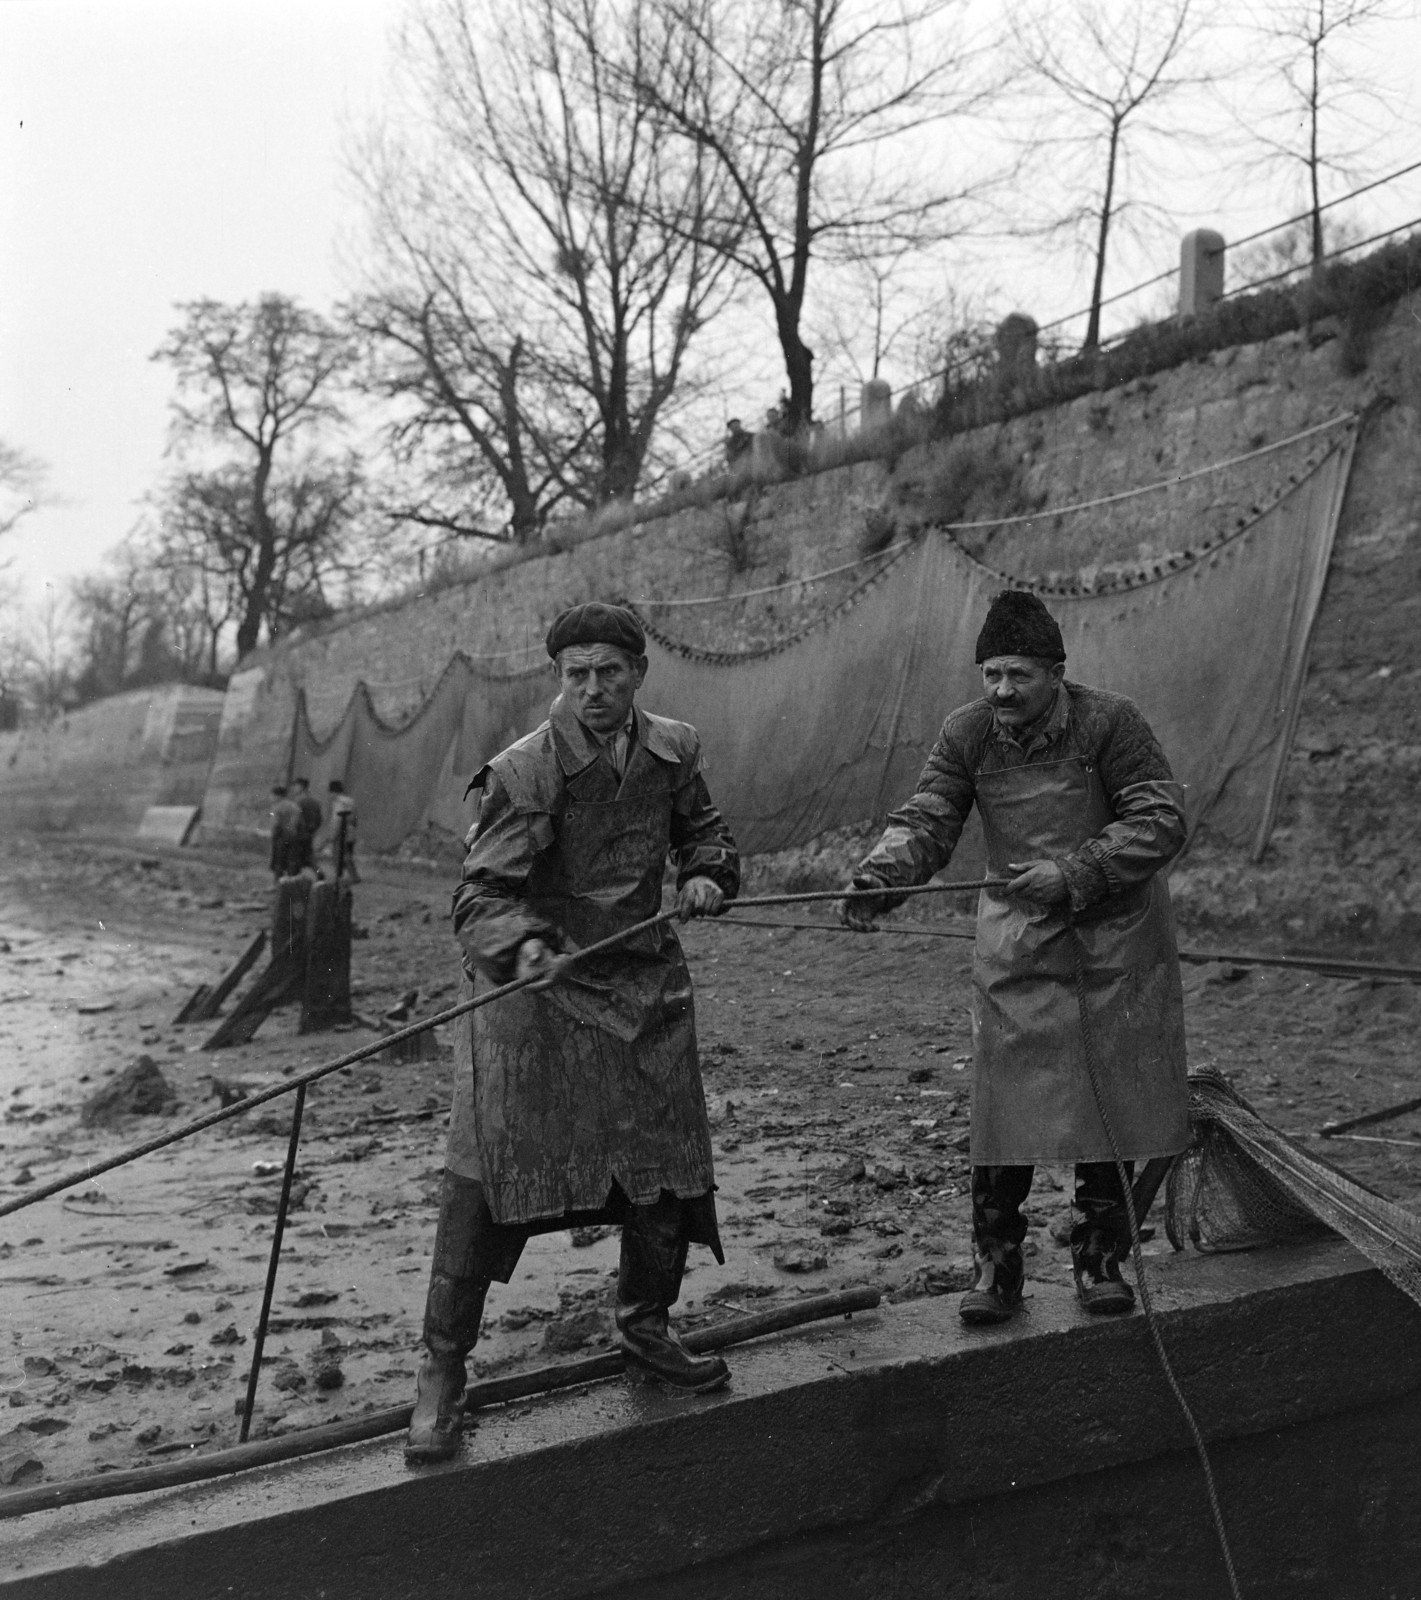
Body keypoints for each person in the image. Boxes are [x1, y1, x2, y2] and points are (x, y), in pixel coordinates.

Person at [406, 601, 740, 1464]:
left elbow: (705, 832)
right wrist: (521, 945)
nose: (592, 690)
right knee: (485, 1181)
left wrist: (707, 873)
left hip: (640, 983)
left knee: (664, 1166)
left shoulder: (674, 749)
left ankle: (644, 1323)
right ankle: (442, 1371)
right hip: (536, 994)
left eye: (609, 673)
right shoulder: (523, 771)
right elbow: (476, 898)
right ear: (559, 678)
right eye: (575, 675)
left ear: (638, 673)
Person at [840, 589, 1190, 1325]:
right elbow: (928, 817)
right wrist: (880, 878)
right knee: (1004, 1106)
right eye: (990, 673)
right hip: (1019, 940)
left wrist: (1074, 872)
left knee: (1111, 1097)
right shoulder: (967, 733)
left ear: (1054, 673)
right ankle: (996, 1271)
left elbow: (1160, 818)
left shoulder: (1110, 723)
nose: (1000, 690)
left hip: (1116, 938)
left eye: (1017, 675)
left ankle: (1100, 1259)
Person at [326, 779, 359, 882]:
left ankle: (342, 877)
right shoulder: (350, 801)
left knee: (339, 855)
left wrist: (332, 835)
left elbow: (337, 819)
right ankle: (353, 875)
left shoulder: (338, 802)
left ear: (333, 791)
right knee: (347, 854)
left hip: (341, 831)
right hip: (351, 830)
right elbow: (355, 818)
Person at [288, 777, 323, 874]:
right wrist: (312, 830)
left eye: (295, 786)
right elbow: (319, 820)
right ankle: (319, 872)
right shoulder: (315, 802)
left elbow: (295, 819)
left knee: (294, 858)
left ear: (302, 787)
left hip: (298, 834)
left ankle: (292, 879)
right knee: (308, 857)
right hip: (309, 834)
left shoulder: (298, 801)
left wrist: (291, 830)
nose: (293, 788)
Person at [268, 784, 302, 879]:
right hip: (293, 835)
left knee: (279, 860)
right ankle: (291, 882)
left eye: (272, 795)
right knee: (291, 860)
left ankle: (278, 883)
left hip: (281, 835)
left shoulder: (277, 807)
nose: (271, 798)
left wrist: (273, 835)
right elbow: (298, 820)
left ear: (278, 795)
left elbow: (276, 824)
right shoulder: (294, 805)